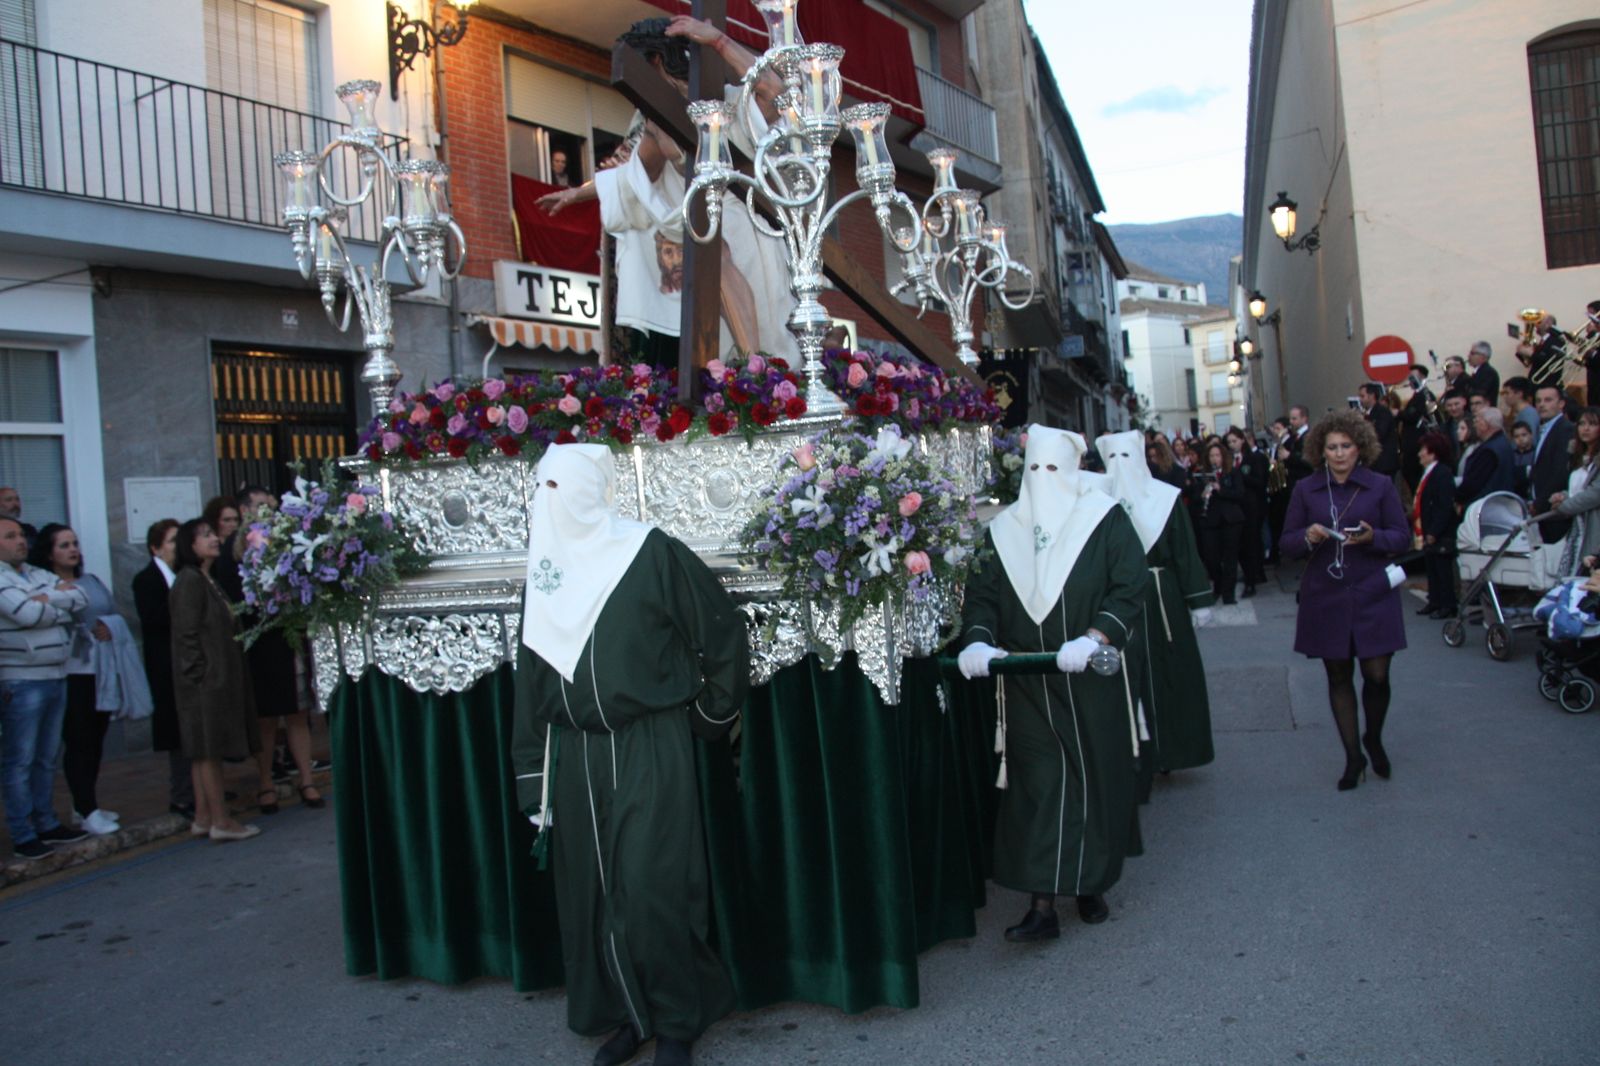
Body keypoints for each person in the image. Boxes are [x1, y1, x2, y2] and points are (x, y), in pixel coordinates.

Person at [511, 444, 748, 1066]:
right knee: (591, 893)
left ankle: (675, 1019)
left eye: (559, 486)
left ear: (591, 488)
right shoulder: (546, 569)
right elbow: (530, 679)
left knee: (652, 887)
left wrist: (710, 713)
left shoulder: (648, 552)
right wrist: (533, 776)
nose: (548, 501)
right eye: (543, 487)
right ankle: (627, 1013)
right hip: (574, 755)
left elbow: (721, 630)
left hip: (649, 743)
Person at [956, 426, 1147, 940]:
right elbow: (981, 598)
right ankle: (1042, 904)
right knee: (1039, 786)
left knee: (1090, 776)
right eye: (1035, 469)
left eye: (1054, 469)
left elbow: (1129, 586)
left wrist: (1095, 635)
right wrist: (977, 641)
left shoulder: (1104, 521)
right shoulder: (1002, 531)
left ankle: (1089, 883)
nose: (1044, 480)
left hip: (1086, 675)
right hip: (1025, 681)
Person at [535, 16, 797, 365]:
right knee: (717, 347)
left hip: (746, 224)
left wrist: (718, 41)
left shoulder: (728, 102)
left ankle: (765, 379)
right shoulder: (655, 125)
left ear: (656, 61)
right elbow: (631, 175)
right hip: (703, 232)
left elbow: (777, 92)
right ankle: (747, 389)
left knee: (769, 333)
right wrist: (576, 194)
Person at [1280, 410, 1409, 790]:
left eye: (1346, 447)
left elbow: (1402, 537)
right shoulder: (1306, 489)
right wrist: (1309, 536)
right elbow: (1286, 544)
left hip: (1372, 590)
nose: (1338, 454)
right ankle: (1353, 758)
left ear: (1360, 448)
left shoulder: (1380, 485)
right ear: (1321, 450)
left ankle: (1374, 737)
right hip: (1326, 594)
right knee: (1338, 675)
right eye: (1331, 447)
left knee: (1377, 675)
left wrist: (1373, 539)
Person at [1095, 430, 1214, 782]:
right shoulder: (1095, 502)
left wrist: (1198, 599)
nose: (1119, 467)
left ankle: (1173, 750)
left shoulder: (1165, 499)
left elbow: (1184, 552)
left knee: (1169, 674)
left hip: (1163, 599)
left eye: (1126, 457)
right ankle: (1132, 757)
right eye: (1111, 459)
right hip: (1116, 602)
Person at [29, 524, 149, 836]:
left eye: (75, 543)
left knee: (95, 738)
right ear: (49, 553)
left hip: (100, 669)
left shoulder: (91, 581)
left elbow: (114, 612)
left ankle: (87, 804)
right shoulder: (45, 584)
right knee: (79, 740)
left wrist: (111, 626)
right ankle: (85, 806)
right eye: (64, 545)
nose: (73, 550)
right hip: (71, 672)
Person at [215, 486, 325, 814]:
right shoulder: (231, 553)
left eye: (271, 506)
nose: (269, 512)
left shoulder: (284, 543)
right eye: (262, 506)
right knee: (265, 719)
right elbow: (234, 601)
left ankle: (306, 780)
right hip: (257, 642)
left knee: (297, 714)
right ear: (246, 510)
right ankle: (266, 784)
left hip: (286, 638)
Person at [1, 515, 91, 860]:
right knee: (19, 760)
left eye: (21, 535)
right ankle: (23, 833)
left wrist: (43, 599)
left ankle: (46, 822)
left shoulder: (36, 575)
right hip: (21, 679)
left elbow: (79, 598)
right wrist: (54, 601)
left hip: (55, 673)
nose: (20, 541)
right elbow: (25, 614)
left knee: (44, 758)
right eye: (10, 536)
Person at [169, 518, 261, 842]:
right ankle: (221, 820)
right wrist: (200, 674)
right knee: (207, 751)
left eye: (212, 534)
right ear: (189, 545)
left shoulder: (207, 578)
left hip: (212, 678)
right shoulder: (189, 581)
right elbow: (186, 634)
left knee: (204, 751)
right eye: (205, 535)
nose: (213, 539)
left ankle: (204, 816)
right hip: (203, 683)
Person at [132, 518, 194, 818]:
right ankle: (182, 794)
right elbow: (155, 620)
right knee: (176, 732)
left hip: (188, 661)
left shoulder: (185, 574)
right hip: (167, 665)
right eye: (171, 541)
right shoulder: (147, 580)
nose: (176, 546)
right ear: (155, 548)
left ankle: (198, 787)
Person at [1541, 407, 1600, 576]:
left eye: (1592, 424)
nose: (1585, 428)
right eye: (1581, 423)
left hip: (1594, 525)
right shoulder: (1576, 455)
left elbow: (1594, 494)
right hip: (1578, 526)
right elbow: (1577, 489)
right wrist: (1562, 496)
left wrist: (1564, 506)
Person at [1195, 440, 1248, 604]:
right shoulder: (1202, 474)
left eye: (1217, 455)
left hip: (1231, 520)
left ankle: (1228, 593)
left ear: (1223, 457)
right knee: (1212, 558)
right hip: (1210, 521)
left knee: (1230, 558)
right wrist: (1202, 494)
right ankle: (1217, 586)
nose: (1214, 459)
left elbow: (1240, 494)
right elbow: (1194, 495)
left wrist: (1221, 489)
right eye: (1211, 456)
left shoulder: (1232, 472)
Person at [1413, 432, 1459, 619]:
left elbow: (1444, 505)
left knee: (1442, 569)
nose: (1419, 454)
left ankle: (1447, 604)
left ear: (1433, 453)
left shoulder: (1442, 473)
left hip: (1440, 530)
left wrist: (1434, 531)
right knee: (1431, 566)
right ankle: (1435, 601)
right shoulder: (1429, 472)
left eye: (1423, 450)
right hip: (1428, 526)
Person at [1529, 383, 1575, 541]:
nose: (1542, 405)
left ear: (1561, 403)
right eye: (1538, 400)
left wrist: (1540, 503)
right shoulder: (1544, 429)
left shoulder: (1565, 429)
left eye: (1548, 400)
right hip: (1542, 509)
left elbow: (1559, 471)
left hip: (1553, 509)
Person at [1228, 426, 1269, 595]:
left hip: (1252, 506)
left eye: (1235, 441)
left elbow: (1260, 482)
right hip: (1236, 507)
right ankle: (1249, 573)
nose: (1232, 445)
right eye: (1229, 442)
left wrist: (1239, 475)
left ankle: (1253, 577)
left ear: (1242, 440)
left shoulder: (1253, 458)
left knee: (1252, 542)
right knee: (1241, 545)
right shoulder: (1230, 459)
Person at [1455, 407, 1515, 511]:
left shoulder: (1489, 450)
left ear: (1485, 425)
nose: (1474, 425)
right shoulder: (1503, 442)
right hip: (1497, 503)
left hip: (1484, 506)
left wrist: (1459, 499)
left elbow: (1474, 483)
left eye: (1477, 421)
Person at [1398, 364, 1435, 491]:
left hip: (1417, 442)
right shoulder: (1416, 395)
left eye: (1413, 377)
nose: (1410, 381)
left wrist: (1398, 413)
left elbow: (1414, 416)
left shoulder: (1425, 395)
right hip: (1411, 443)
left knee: (1414, 473)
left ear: (1422, 377)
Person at [1358, 383, 1400, 478]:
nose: (1360, 400)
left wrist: (1364, 424)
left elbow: (1379, 433)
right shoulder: (1368, 414)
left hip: (1384, 464)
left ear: (1371, 396)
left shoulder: (1382, 412)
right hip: (1374, 464)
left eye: (1362, 396)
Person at [1510, 422, 1537, 498]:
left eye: (1524, 435)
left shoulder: (1537, 454)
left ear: (1531, 435)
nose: (1521, 439)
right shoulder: (1510, 455)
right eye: (1516, 436)